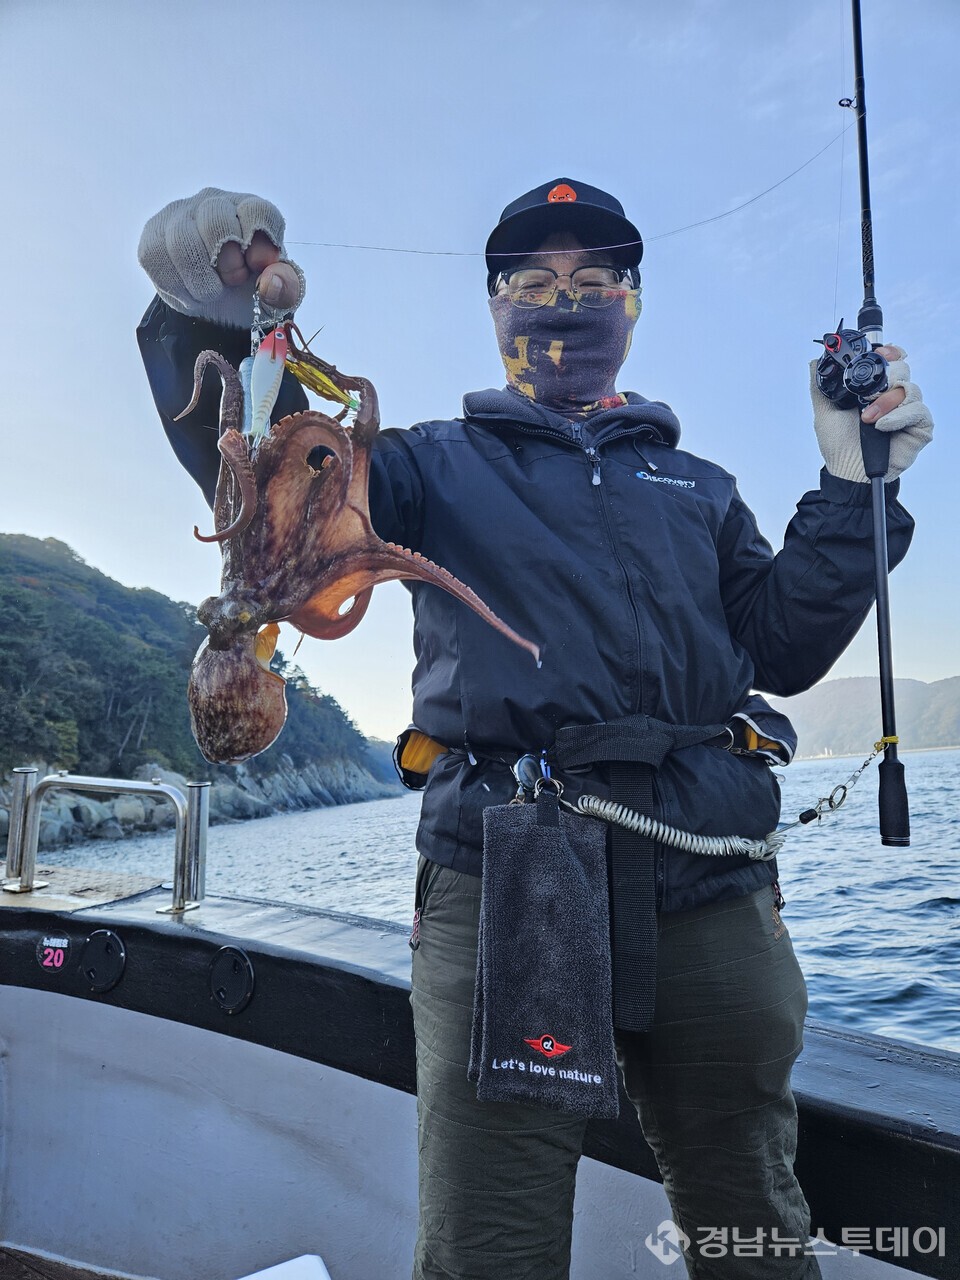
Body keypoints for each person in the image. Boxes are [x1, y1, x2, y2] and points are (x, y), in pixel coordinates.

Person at [137, 180, 932, 1280]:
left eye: (594, 279)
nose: (565, 300)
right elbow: (284, 483)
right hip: (508, 874)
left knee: (754, 1216)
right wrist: (205, 323)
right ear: (497, 305)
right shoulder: (426, 467)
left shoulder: (698, 485)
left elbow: (785, 645)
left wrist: (854, 484)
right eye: (533, 281)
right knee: (487, 1247)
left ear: (632, 305)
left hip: (715, 888)